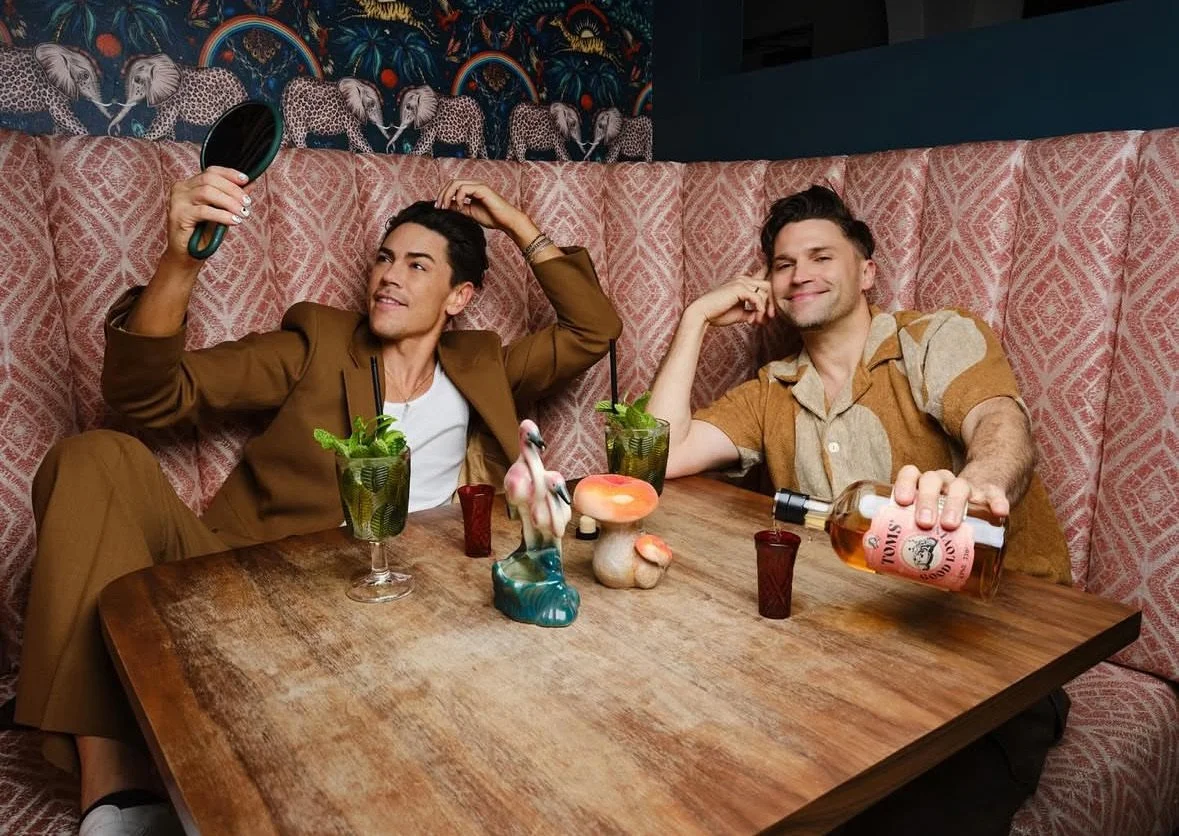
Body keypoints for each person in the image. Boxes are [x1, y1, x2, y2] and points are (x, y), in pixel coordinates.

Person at [15, 167, 621, 835]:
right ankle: (116, 793)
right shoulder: (317, 342)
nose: (389, 276)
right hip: (253, 578)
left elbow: (594, 328)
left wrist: (513, 222)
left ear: (459, 296)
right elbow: (149, 397)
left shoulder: (485, 365)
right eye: (384, 259)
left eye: (418, 265)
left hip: (400, 605)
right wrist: (179, 263)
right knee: (92, 454)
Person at [647, 185, 1072, 835]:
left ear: (866, 271)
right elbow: (658, 453)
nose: (799, 275)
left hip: (999, 659)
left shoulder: (932, 337)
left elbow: (998, 420)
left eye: (820, 255)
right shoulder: (771, 390)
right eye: (782, 265)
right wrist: (697, 318)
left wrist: (979, 485)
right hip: (861, 655)